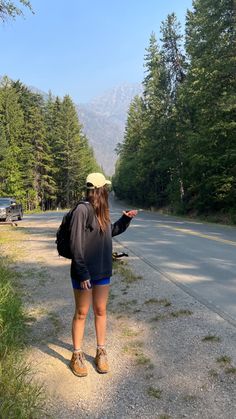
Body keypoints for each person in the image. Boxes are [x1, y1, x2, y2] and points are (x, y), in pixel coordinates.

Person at [69, 172, 137, 377]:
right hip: (85, 272)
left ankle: (101, 351)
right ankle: (77, 355)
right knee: (81, 313)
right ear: (100, 189)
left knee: (100, 310)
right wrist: (82, 272)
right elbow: (75, 243)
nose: (106, 191)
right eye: (105, 188)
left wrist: (124, 220)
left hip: (102, 270)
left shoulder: (102, 210)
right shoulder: (81, 210)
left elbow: (109, 232)